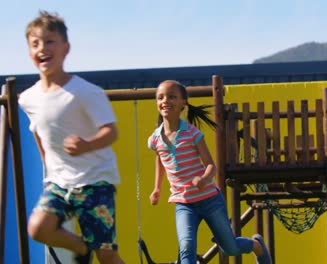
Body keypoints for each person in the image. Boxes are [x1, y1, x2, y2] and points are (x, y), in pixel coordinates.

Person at [19, 11, 124, 264]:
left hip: (95, 181)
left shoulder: (85, 92)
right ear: (29, 52)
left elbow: (111, 131)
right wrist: (49, 172)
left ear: (66, 49)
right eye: (35, 43)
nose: (42, 48)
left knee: (107, 254)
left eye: (49, 41)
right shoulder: (28, 98)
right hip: (59, 183)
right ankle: (80, 248)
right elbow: (38, 133)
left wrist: (87, 144)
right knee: (38, 228)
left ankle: (90, 249)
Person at [147, 80, 272, 264]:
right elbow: (161, 159)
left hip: (209, 199)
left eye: (172, 97)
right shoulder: (155, 139)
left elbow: (211, 165)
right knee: (186, 247)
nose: (165, 101)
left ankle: (256, 245)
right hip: (184, 203)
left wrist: (204, 179)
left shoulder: (192, 133)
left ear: (184, 103)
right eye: (161, 97)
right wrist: (156, 188)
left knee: (230, 248)